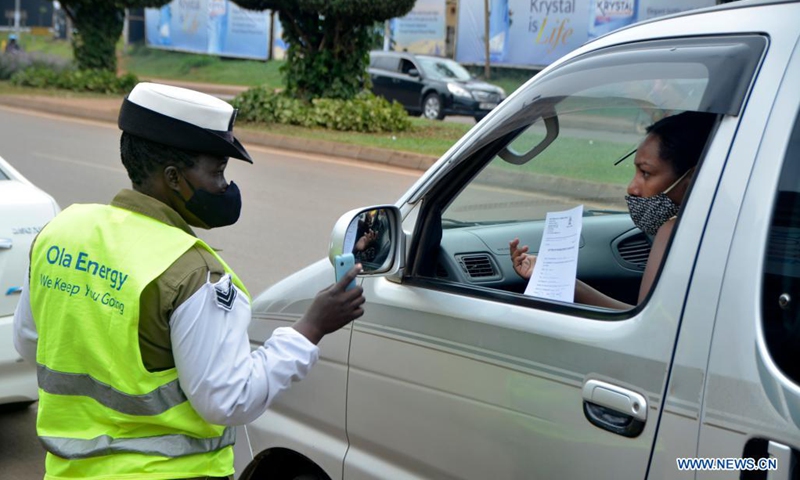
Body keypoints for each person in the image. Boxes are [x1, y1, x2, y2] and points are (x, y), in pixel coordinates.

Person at [13, 82, 366, 479]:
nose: (225, 187)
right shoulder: (194, 273)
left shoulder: (60, 232)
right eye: (217, 172)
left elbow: (29, 342)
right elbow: (228, 400)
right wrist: (309, 329)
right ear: (174, 178)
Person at [509, 111, 716, 309]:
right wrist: (562, 280)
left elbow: (642, 325)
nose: (632, 187)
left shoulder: (672, 232)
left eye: (645, 173)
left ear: (693, 178)